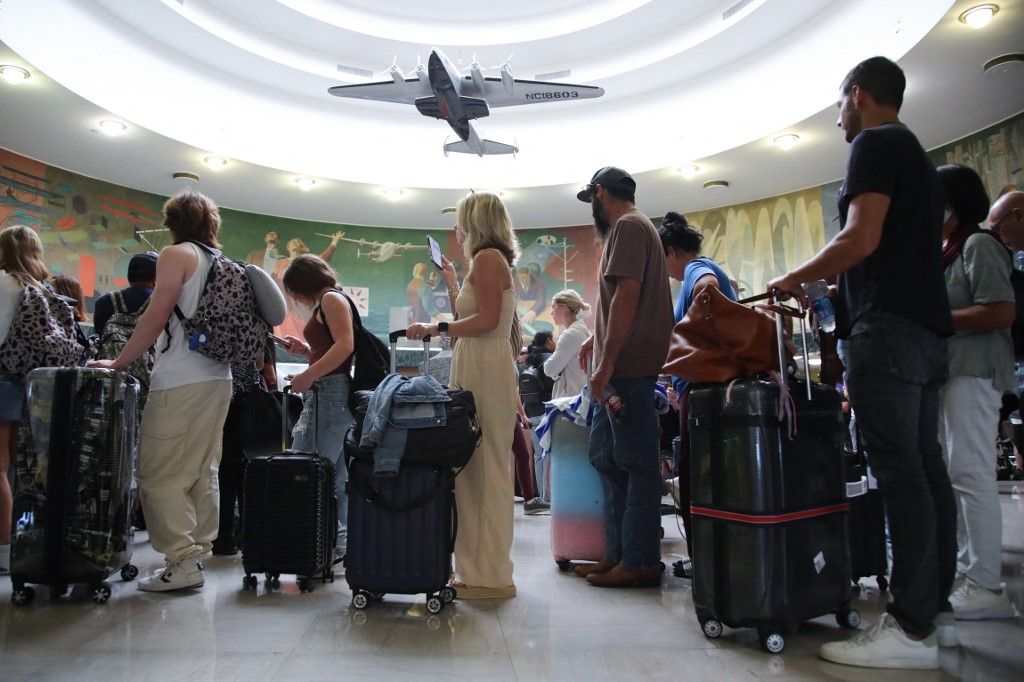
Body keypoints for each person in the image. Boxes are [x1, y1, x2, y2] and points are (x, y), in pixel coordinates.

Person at [767, 57, 955, 669]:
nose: (838, 116)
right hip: (925, 333)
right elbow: (888, 250)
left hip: (889, 335)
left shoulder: (874, 142)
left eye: (840, 103)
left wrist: (794, 275)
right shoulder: (920, 158)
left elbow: (861, 237)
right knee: (926, 470)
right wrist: (823, 291)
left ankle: (909, 628)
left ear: (858, 95)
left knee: (900, 474)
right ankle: (931, 611)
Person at [88, 189, 233, 592]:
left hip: (180, 380)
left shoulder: (176, 255)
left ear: (172, 223)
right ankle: (195, 554)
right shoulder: (218, 259)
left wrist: (118, 361)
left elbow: (156, 313)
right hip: (218, 379)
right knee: (203, 470)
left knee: (158, 472)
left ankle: (182, 561)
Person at [406, 191, 520, 600]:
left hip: (485, 365)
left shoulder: (489, 258)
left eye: (461, 222)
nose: (456, 230)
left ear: (474, 223)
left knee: (485, 469)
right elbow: (476, 318)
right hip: (481, 362)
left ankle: (488, 575)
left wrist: (436, 328)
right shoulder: (486, 262)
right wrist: (455, 283)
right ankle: (477, 568)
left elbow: (487, 322)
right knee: (476, 468)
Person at [573, 166, 673, 588]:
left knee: (634, 465)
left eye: (591, 199)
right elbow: (618, 301)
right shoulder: (633, 227)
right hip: (621, 371)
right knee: (609, 461)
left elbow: (627, 297)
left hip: (627, 372)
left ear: (600, 192)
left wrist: (605, 364)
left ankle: (640, 560)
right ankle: (618, 555)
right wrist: (596, 341)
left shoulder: (629, 227)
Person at [936, 164, 1016, 620]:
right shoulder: (948, 250)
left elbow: (1000, 310)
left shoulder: (978, 244)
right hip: (954, 373)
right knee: (957, 473)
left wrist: (939, 317)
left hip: (975, 372)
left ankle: (987, 583)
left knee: (972, 473)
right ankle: (970, 571)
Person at [659, 210, 737, 579]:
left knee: (696, 478)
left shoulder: (697, 269)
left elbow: (708, 289)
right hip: (699, 388)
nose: (668, 270)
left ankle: (706, 559)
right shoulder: (701, 268)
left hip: (704, 389)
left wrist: (684, 348)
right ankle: (709, 555)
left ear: (673, 251)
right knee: (700, 475)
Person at [280, 254, 355, 561]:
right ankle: (337, 543)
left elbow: (345, 346)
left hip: (329, 394)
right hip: (330, 393)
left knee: (308, 468)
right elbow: (334, 346)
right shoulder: (332, 300)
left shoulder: (331, 300)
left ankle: (321, 542)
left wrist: (307, 376)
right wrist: (306, 352)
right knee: (333, 474)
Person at [0, 225, 54, 575]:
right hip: (21, 385)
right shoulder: (39, 289)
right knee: (12, 469)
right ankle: (12, 545)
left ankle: (4, 551)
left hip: (0, 379)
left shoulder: (4, 283)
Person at [93, 252, 157, 337]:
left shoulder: (104, 302)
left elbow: (100, 336)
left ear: (128, 275)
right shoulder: (162, 303)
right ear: (155, 278)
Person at [543, 289, 591, 399]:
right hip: (579, 396)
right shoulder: (582, 331)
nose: (551, 312)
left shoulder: (570, 335)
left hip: (570, 400)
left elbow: (549, 369)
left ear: (564, 307)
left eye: (553, 307)